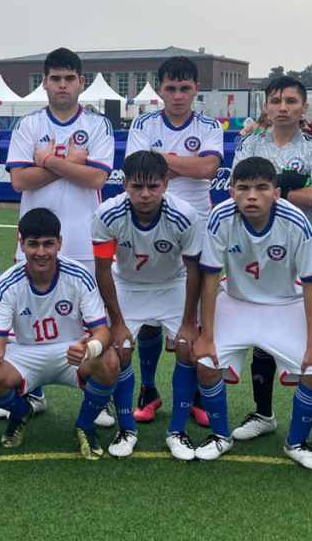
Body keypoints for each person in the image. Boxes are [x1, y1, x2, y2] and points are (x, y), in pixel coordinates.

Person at [192, 157, 312, 471]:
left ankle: (296, 442)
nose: (251, 196)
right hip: (237, 301)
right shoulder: (220, 217)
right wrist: (206, 336)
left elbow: (311, 284)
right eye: (242, 188)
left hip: (286, 304)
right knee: (204, 362)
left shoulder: (295, 221)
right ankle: (220, 436)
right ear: (231, 191)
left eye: (261, 188)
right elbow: (211, 277)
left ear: (277, 192)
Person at [5, 47, 114, 423]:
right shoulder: (29, 125)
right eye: (55, 78)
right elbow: (19, 179)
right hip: (34, 241)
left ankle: (97, 398)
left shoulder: (99, 125)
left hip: (84, 241)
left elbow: (97, 178)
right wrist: (71, 163)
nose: (62, 85)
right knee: (29, 319)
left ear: (81, 82)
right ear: (45, 83)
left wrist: (48, 160)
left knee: (91, 321)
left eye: (69, 78)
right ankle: (32, 392)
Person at [230, 77, 312, 442]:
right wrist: (279, 191)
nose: (283, 107)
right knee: (262, 335)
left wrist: (278, 191)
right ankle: (263, 413)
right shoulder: (249, 143)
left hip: (303, 250)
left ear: (304, 107)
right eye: (276, 100)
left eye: (291, 100)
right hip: (256, 252)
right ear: (266, 106)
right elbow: (239, 194)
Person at [125, 56, 223, 427]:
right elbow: (140, 171)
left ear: (196, 88)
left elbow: (208, 169)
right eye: (170, 88)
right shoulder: (144, 123)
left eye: (185, 88)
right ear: (160, 90)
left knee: (195, 312)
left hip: (197, 223)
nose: (178, 95)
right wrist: (185, 162)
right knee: (150, 305)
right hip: (151, 219)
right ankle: (148, 389)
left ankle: (195, 392)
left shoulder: (210, 125)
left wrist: (160, 159)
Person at [0, 208, 120, 460]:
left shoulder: (78, 276)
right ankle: (22, 412)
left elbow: (102, 332)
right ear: (21, 244)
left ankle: (84, 425)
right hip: (26, 353)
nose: (41, 252)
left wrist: (89, 349)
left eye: (48, 244)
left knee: (109, 361)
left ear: (59, 243)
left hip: (71, 352)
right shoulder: (7, 283)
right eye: (33, 244)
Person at [91, 151, 202, 459]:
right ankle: (127, 428)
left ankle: (177, 431)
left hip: (173, 284)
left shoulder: (185, 214)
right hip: (128, 285)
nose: (145, 194)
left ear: (166, 184)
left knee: (187, 346)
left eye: (153, 186)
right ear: (124, 184)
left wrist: (189, 321)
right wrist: (117, 323)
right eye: (137, 186)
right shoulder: (106, 214)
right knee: (120, 350)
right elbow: (103, 270)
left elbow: (195, 270)